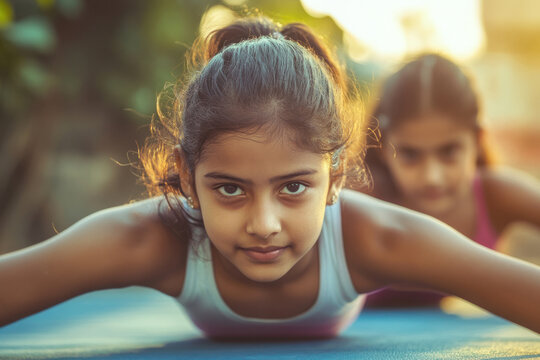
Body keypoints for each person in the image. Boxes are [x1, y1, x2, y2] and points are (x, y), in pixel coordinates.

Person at [0, 18, 539, 337]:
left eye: (294, 187)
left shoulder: (375, 238)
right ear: (187, 179)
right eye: (229, 188)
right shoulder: (150, 238)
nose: (264, 224)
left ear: (335, 179)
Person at [362, 53, 540, 308]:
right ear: (383, 147)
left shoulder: (495, 194)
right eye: (410, 154)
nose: (432, 176)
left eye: (449, 152)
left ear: (477, 141)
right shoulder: (361, 196)